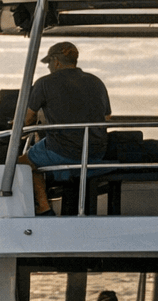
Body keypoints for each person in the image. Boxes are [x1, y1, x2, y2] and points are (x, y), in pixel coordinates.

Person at [17, 41, 111, 215]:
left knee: (22, 162)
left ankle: (44, 208)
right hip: (97, 152)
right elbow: (106, 118)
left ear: (56, 61)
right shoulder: (96, 82)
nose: (49, 67)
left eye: (49, 63)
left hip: (63, 151)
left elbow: (28, 119)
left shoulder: (44, 83)